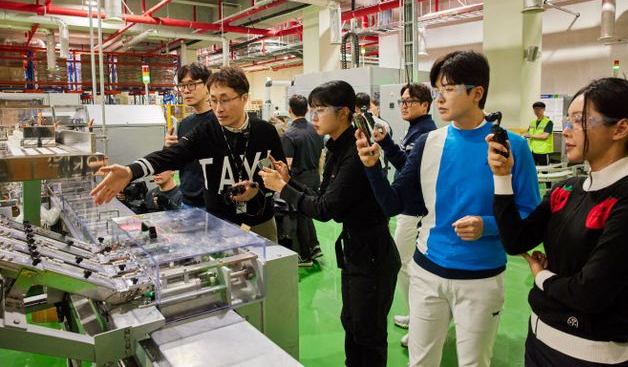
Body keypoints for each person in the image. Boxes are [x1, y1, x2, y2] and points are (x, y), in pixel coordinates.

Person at [356, 50, 540, 367]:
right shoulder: (428, 143)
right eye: (437, 90)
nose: (439, 99)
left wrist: (487, 225)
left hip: (481, 279)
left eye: (449, 89)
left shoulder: (512, 146)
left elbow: (529, 217)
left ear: (477, 93)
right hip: (427, 272)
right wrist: (372, 167)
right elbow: (393, 203)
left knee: (473, 362)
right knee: (420, 360)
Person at [487, 77, 628, 366]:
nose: (567, 130)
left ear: (620, 128)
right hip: (537, 342)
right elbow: (516, 241)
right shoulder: (567, 188)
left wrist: (541, 276)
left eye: (580, 121)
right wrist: (503, 177)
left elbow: (589, 293)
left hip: (590, 357)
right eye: (567, 120)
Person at [259, 80, 400, 367]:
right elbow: (324, 197)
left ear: (343, 112)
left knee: (368, 333)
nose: (314, 117)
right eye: (312, 109)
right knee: (352, 323)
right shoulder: (336, 147)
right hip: (355, 251)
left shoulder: (355, 153)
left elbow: (325, 210)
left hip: (373, 255)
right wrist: (289, 181)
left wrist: (283, 189)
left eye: (320, 110)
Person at [90, 66, 286, 242]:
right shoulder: (204, 133)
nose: (219, 109)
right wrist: (131, 171)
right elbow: (171, 155)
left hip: (261, 222)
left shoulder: (265, 132)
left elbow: (281, 176)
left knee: (271, 268)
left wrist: (257, 189)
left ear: (244, 98)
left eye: (225, 100)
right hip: (219, 224)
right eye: (214, 100)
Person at [373, 83, 437, 346]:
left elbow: (411, 175)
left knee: (403, 264)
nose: (404, 106)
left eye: (409, 101)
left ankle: (421, 322)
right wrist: (386, 141)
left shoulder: (425, 133)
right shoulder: (415, 131)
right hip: (408, 208)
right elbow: (405, 164)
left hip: (414, 210)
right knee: (405, 265)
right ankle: (416, 316)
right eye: (402, 101)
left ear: (425, 105)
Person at [281, 94, 324, 266]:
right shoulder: (316, 129)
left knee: (299, 217)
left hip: (298, 180)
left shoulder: (289, 135)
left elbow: (288, 164)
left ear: (290, 110)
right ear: (307, 110)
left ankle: (304, 255)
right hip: (314, 176)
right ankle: (314, 246)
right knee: (309, 213)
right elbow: (321, 156)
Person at [165, 62, 213, 208]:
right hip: (187, 201)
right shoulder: (185, 123)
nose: (186, 91)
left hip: (212, 203)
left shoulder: (219, 121)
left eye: (191, 84)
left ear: (207, 85)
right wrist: (169, 148)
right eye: (182, 86)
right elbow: (179, 163)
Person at [524, 101, 554, 165]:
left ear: (543, 109)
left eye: (539, 109)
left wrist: (530, 135)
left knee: (544, 169)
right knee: (533, 168)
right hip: (532, 150)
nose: (537, 111)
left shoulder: (548, 122)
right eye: (535, 109)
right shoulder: (532, 122)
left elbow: (545, 136)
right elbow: (528, 133)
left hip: (543, 151)